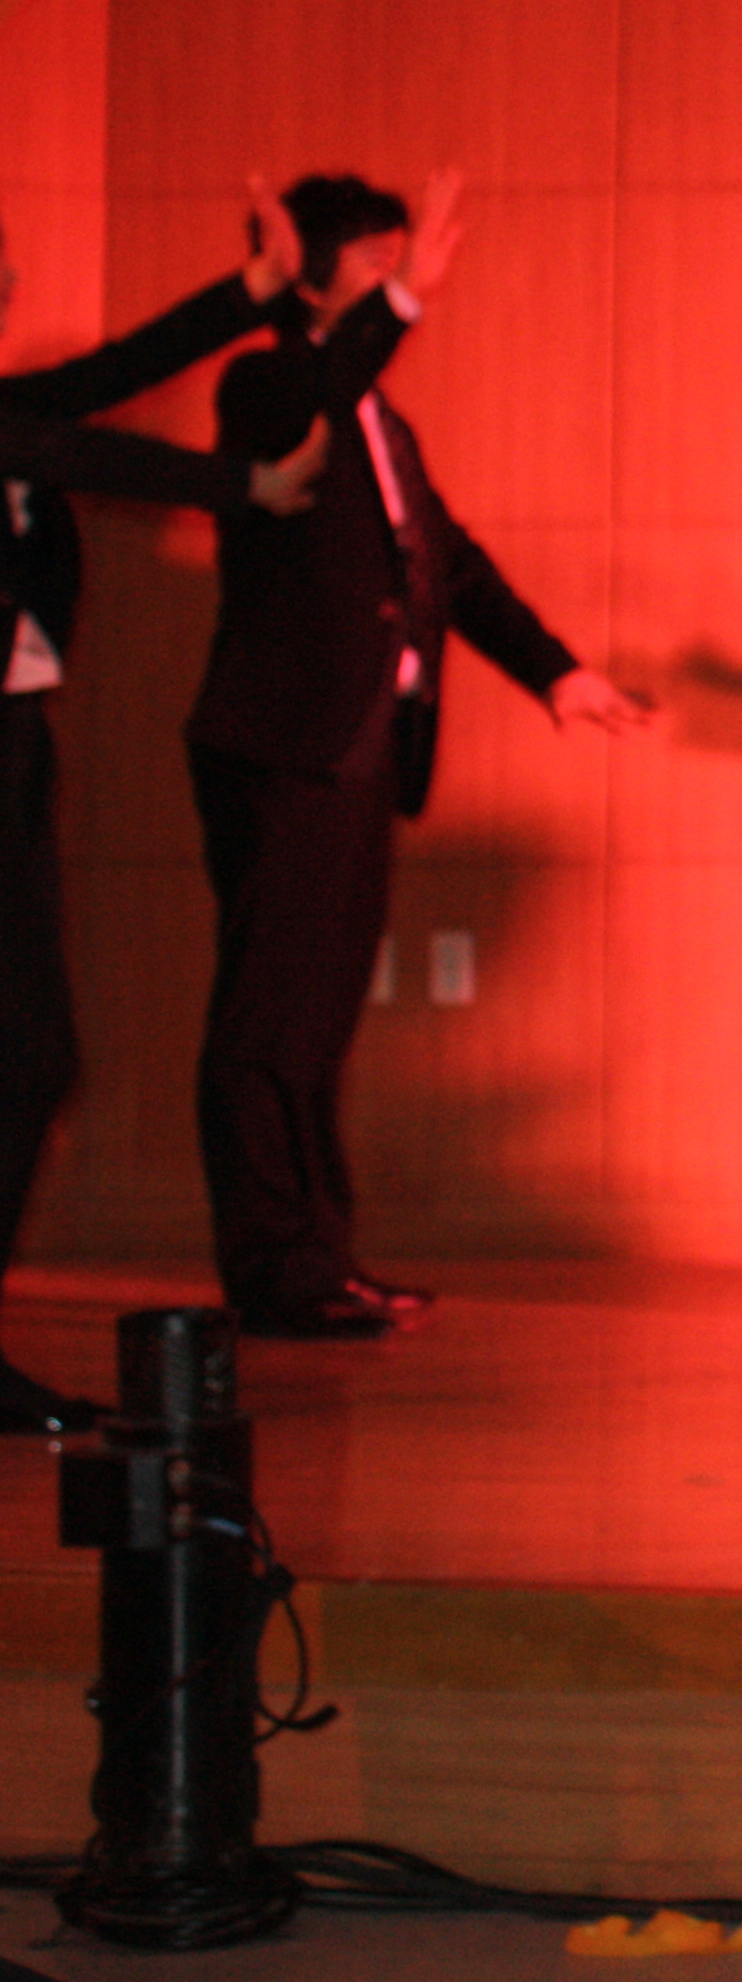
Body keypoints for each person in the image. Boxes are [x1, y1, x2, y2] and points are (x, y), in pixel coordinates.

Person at [192, 173, 650, 1342]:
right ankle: (274, 1265)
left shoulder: (382, 422)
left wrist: (557, 673)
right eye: (380, 262)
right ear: (316, 272)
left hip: (361, 752)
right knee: (269, 1018)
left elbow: (452, 562)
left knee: (319, 1019)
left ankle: (320, 1255)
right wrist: (398, 306)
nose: (406, 280)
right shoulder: (268, 385)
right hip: (286, 744)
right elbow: (313, 392)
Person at [2, 191, 333, 1426]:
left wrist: (253, 292)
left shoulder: (13, 406)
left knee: (34, 1054)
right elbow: (77, 454)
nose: (7, 286)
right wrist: (244, 482)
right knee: (24, 1050)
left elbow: (107, 381)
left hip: (14, 741)